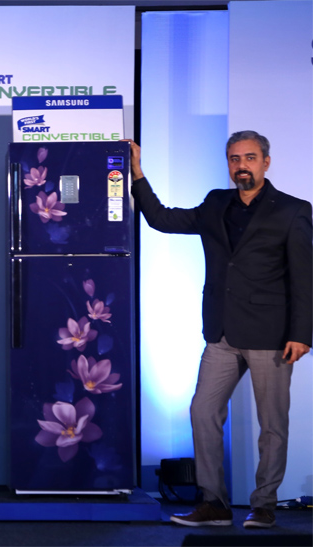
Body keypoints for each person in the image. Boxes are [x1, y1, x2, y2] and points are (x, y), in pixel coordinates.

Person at [126, 131, 312, 529]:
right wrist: (137, 174)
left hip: (271, 334)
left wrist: (302, 333)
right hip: (222, 332)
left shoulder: (293, 211)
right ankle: (214, 503)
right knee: (202, 411)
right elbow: (162, 219)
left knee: (272, 425)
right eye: (234, 158)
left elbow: (304, 278)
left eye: (249, 158)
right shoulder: (215, 202)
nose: (241, 165)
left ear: (265, 162)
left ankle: (264, 505)